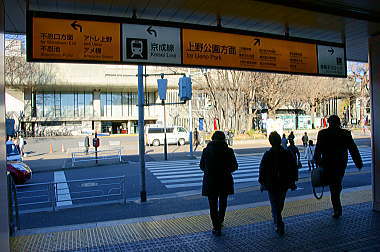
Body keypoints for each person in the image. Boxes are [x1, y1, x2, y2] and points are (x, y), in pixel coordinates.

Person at [314, 115, 362, 218]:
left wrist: (317, 161)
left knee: (333, 186)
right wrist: (358, 163)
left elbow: (318, 149)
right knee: (336, 184)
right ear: (339, 123)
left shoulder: (322, 133)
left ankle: (337, 208)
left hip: (327, 163)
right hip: (341, 163)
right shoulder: (345, 133)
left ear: (328, 122)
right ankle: (337, 206)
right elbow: (353, 149)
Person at [200, 131, 238, 236]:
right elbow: (234, 166)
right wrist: (226, 170)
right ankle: (220, 221)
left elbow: (202, 166)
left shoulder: (206, 150)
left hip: (210, 181)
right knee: (223, 203)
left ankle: (216, 227)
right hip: (225, 181)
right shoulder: (229, 151)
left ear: (212, 138)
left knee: (212, 205)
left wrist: (209, 171)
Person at [259, 131, 298, 236]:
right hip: (284, 183)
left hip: (271, 184)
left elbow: (262, 169)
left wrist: (262, 182)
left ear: (270, 142)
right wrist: (293, 181)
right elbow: (293, 167)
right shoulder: (287, 153)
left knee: (274, 203)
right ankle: (278, 221)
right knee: (280, 202)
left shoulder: (268, 154)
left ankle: (278, 222)